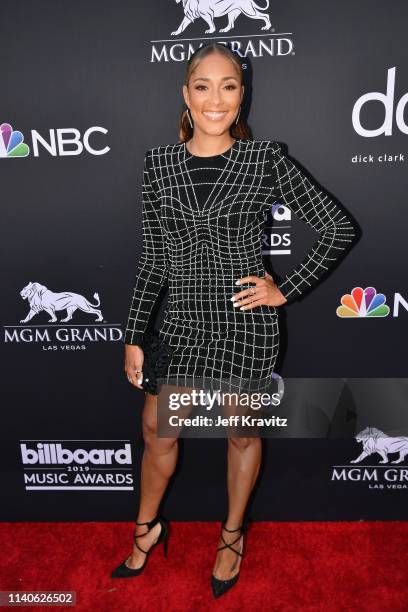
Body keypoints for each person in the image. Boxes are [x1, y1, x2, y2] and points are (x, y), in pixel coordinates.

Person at [112, 42, 358, 597]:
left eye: (229, 85)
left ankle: (231, 535)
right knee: (158, 431)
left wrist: (284, 289)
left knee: (241, 432)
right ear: (185, 93)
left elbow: (338, 228)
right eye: (203, 85)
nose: (215, 99)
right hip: (178, 325)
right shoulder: (159, 164)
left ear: (242, 95)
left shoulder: (264, 159)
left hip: (244, 326)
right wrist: (133, 336)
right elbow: (153, 256)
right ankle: (147, 528)